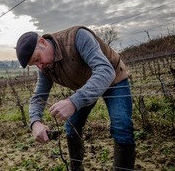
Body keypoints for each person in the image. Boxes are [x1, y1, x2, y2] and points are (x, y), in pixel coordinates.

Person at [15, 26, 136, 171]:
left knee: (121, 126)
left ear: (42, 42)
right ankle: (76, 168)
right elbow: (38, 97)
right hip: (86, 86)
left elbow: (105, 71)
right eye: (34, 64)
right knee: (71, 127)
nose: (39, 67)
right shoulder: (45, 67)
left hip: (113, 78)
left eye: (37, 59)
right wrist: (35, 122)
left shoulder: (77, 37)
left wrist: (73, 101)